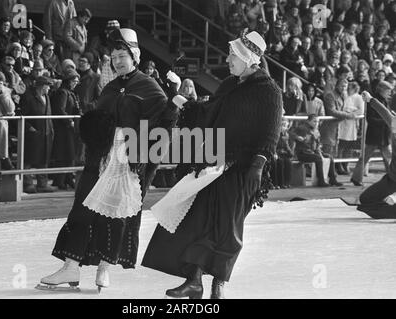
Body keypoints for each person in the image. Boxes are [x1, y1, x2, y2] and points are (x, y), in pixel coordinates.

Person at [142, 30, 282, 299]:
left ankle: (218, 285)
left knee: (227, 229)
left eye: (234, 55)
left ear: (250, 60)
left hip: (243, 170)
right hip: (213, 165)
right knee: (198, 221)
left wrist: (258, 166)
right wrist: (179, 96)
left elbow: (270, 134)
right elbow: (205, 114)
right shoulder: (229, 84)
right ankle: (194, 281)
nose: (228, 59)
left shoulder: (269, 91)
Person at [37, 28, 176, 291]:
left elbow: (161, 128)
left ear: (134, 56)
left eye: (122, 55)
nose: (117, 61)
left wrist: (173, 102)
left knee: (115, 217)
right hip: (100, 161)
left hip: (128, 164)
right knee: (82, 210)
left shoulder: (150, 87)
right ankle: (70, 267)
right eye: (113, 57)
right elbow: (101, 121)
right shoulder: (110, 87)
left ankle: (104, 268)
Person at [357, 91, 396, 219]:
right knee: (365, 199)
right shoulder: (394, 122)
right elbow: (385, 114)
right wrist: (371, 100)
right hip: (392, 178)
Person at [351, 80, 393, 186]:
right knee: (366, 156)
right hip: (375, 135)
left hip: (383, 135)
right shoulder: (374, 101)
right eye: (388, 90)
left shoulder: (384, 101)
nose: (390, 93)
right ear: (382, 90)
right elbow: (371, 119)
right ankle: (356, 178)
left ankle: (392, 178)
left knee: (388, 158)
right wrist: (386, 120)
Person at [19, 76, 56, 194]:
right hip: (33, 133)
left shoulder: (47, 97)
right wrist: (30, 128)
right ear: (42, 86)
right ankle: (27, 183)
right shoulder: (28, 97)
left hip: (46, 132)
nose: (49, 88)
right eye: (48, 86)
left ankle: (42, 184)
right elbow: (21, 115)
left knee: (44, 159)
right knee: (28, 159)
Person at [50, 69, 82, 190]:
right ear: (68, 81)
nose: (76, 83)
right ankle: (60, 180)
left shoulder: (71, 93)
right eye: (74, 80)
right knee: (64, 154)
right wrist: (70, 121)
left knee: (70, 154)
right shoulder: (63, 93)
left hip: (70, 129)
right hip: (64, 128)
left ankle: (68, 178)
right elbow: (60, 109)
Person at [291, 114, 343, 187]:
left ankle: (332, 179)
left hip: (313, 151)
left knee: (329, 157)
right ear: (308, 121)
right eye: (314, 121)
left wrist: (320, 152)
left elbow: (317, 144)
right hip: (303, 153)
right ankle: (321, 180)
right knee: (318, 158)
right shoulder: (302, 128)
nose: (316, 123)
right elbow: (291, 133)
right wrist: (297, 137)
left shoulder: (316, 130)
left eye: (318, 122)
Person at [337, 81, 364, 174]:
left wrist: (351, 114)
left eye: (351, 88)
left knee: (349, 145)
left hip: (351, 123)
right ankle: (339, 165)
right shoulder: (344, 95)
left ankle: (345, 164)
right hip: (342, 122)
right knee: (341, 144)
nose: (349, 89)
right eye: (348, 87)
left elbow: (361, 111)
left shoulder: (358, 97)